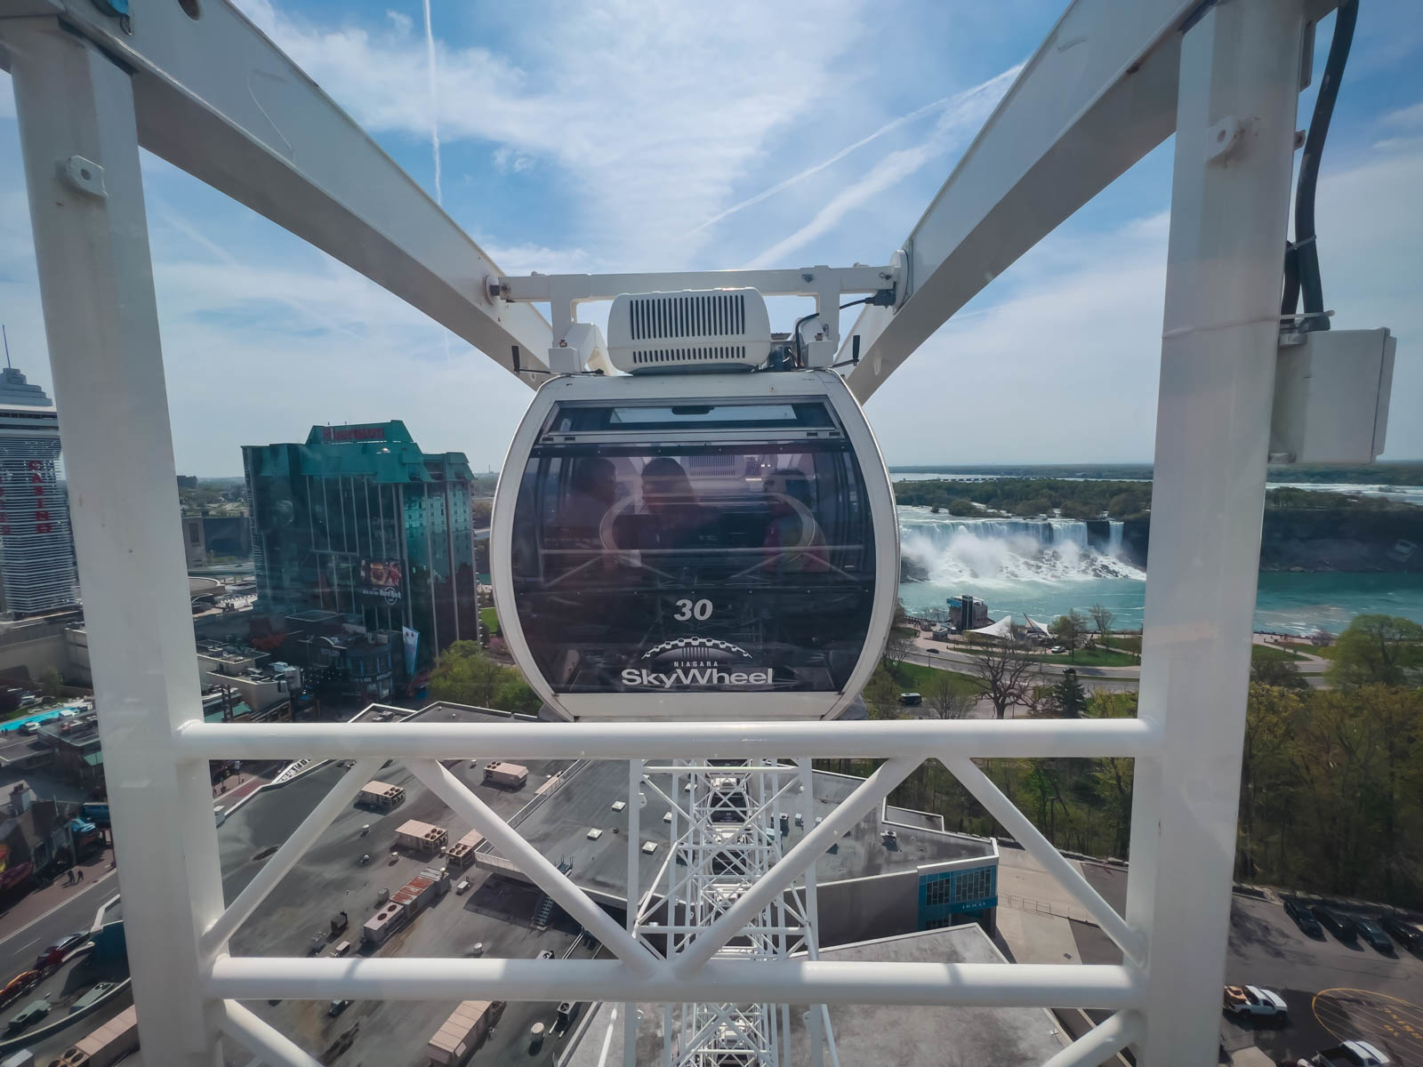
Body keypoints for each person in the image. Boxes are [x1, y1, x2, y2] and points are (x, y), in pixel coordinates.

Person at [761, 468, 829, 573]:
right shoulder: (813, 524)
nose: (768, 503)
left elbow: (769, 566)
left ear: (791, 498)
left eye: (773, 498)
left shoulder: (775, 527)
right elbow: (822, 564)